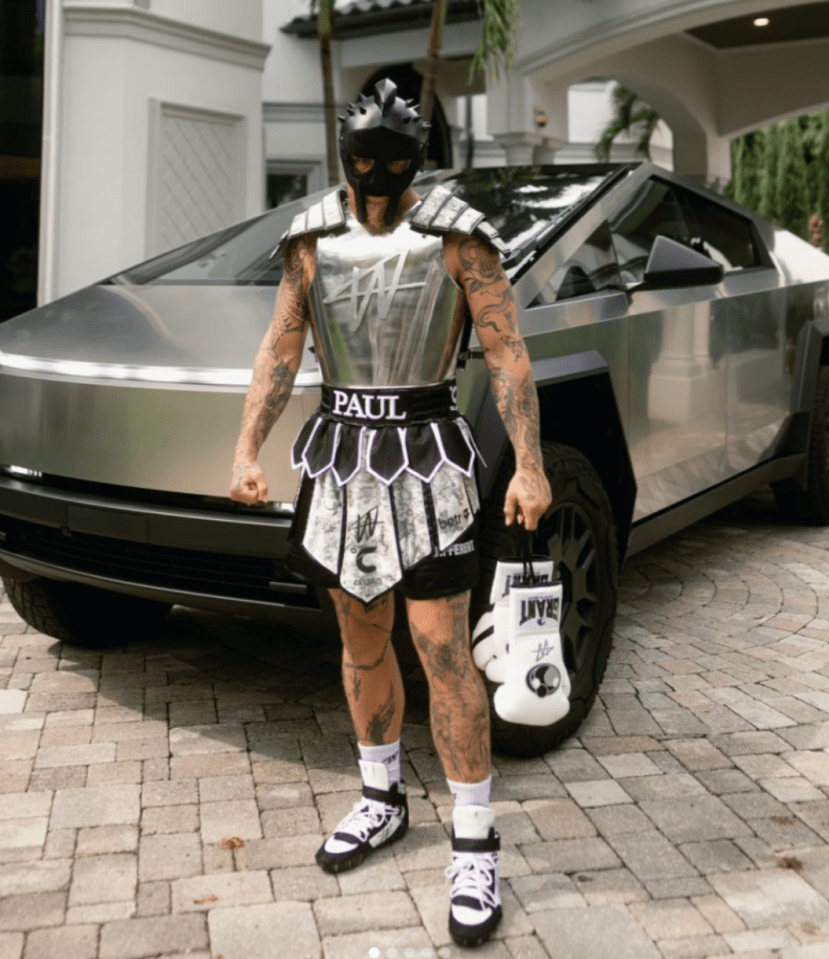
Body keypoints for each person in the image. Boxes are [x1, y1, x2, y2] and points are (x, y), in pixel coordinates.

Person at [230, 78, 551, 948]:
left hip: (428, 456)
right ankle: (381, 798)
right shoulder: (310, 240)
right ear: (342, 153)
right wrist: (244, 449)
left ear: (418, 158)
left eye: (391, 160)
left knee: (444, 648)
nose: (374, 176)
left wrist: (528, 463)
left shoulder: (458, 238)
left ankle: (476, 840)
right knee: (360, 640)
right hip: (339, 460)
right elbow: (281, 347)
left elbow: (507, 353)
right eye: (361, 159)